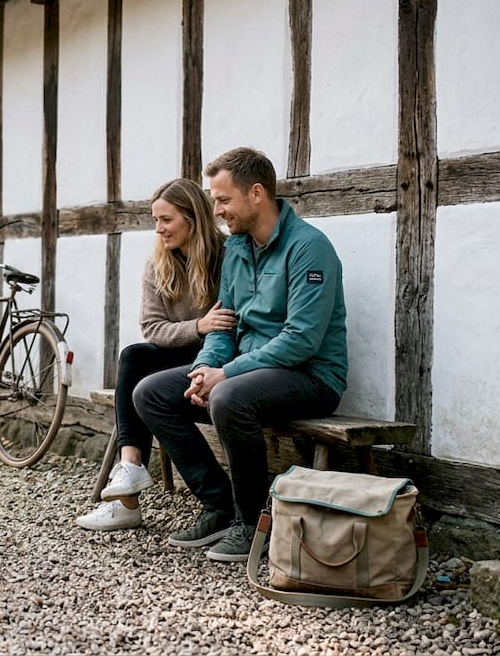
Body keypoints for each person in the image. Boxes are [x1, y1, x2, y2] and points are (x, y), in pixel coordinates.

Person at [135, 147, 347, 560]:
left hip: (311, 376)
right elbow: (223, 323)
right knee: (151, 393)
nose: (216, 210)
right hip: (247, 372)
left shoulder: (309, 248)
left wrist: (226, 374)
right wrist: (204, 368)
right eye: (214, 200)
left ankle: (252, 523)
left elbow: (301, 340)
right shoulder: (237, 249)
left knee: (229, 397)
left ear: (256, 194)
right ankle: (220, 503)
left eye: (223, 199)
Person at [75, 178, 237, 532]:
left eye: (167, 220)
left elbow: (228, 323)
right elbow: (153, 329)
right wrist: (198, 326)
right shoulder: (158, 264)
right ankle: (131, 469)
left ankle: (128, 504)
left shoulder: (225, 257)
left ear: (192, 219)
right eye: (156, 221)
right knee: (134, 356)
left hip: (221, 358)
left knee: (143, 382)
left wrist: (207, 332)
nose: (159, 229)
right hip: (183, 351)